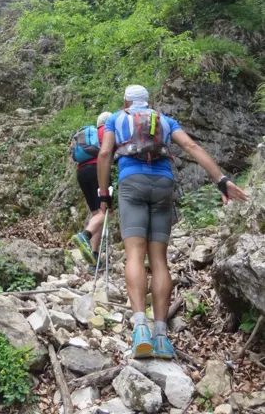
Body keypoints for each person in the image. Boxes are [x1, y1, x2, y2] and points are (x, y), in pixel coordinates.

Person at [97, 84, 247, 360]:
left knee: (134, 255)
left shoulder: (116, 119)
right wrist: (222, 180)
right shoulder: (164, 120)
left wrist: (103, 194)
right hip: (163, 184)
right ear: (149, 102)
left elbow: (105, 153)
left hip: (132, 183)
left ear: (125, 102)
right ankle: (161, 336)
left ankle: (140, 330)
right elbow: (191, 146)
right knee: (159, 260)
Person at [70, 111, 112, 268]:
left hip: (81, 172)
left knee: (97, 213)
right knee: (106, 212)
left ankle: (93, 258)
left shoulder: (91, 133)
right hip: (97, 170)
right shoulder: (108, 131)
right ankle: (84, 236)